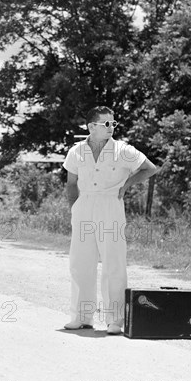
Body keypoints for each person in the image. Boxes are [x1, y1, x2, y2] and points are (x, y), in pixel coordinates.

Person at [62, 106, 158, 334]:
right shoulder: (76, 152)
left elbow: (149, 168)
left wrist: (126, 185)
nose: (111, 127)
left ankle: (115, 320)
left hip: (110, 205)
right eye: (106, 123)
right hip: (84, 205)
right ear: (91, 127)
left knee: (113, 263)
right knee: (80, 262)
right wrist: (75, 208)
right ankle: (81, 316)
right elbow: (71, 183)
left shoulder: (123, 150)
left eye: (113, 123)